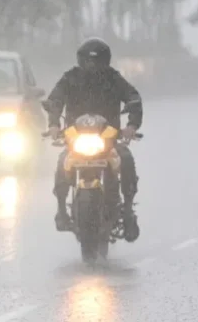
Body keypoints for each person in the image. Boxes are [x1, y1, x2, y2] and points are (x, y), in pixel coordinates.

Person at [43, 38, 142, 242]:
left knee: (125, 157)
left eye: (96, 61)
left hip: (108, 138)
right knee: (63, 162)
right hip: (75, 137)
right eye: (88, 61)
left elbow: (133, 97)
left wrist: (131, 126)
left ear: (105, 61)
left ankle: (128, 210)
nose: (92, 66)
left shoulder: (114, 79)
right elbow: (55, 100)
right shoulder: (70, 78)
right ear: (81, 61)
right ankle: (61, 209)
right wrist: (54, 124)